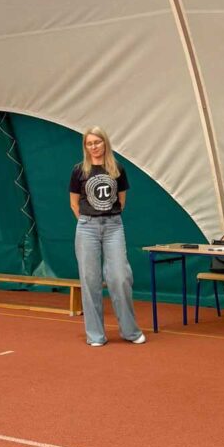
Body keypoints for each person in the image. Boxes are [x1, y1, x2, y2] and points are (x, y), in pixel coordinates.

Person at [68, 127, 146, 347]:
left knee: (120, 277)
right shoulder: (79, 170)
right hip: (87, 227)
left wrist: (108, 218)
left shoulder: (117, 168)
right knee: (90, 280)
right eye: (89, 143)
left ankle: (130, 331)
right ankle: (95, 335)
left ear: (105, 143)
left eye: (97, 142)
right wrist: (87, 221)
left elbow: (122, 200)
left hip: (113, 227)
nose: (94, 147)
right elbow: (74, 203)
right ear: (85, 147)